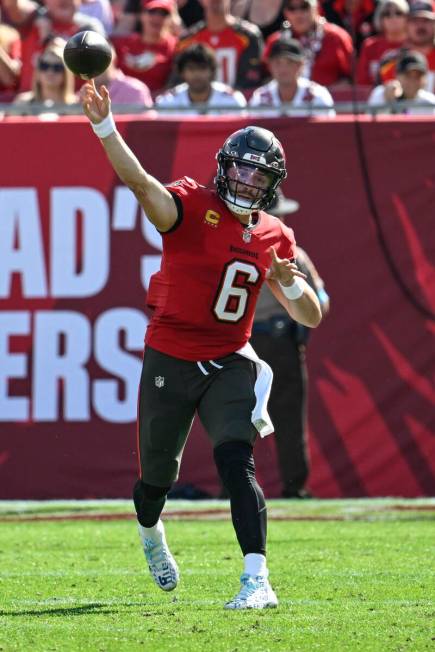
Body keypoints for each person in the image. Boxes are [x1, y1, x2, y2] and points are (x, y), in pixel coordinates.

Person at [80, 81, 322, 609]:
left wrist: (289, 282)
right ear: (224, 166)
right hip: (170, 354)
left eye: (260, 172)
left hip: (230, 357)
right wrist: (105, 128)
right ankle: (150, 532)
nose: (249, 178)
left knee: (237, 458)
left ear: (272, 182)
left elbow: (313, 315)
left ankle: (257, 579)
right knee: (155, 479)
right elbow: (143, 186)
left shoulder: (276, 236)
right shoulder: (192, 203)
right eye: (242, 167)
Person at [251, 189, 329, 499]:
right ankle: (292, 487)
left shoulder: (236, 249)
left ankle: (235, 487)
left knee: (242, 417)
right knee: (282, 416)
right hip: (272, 341)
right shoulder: (291, 253)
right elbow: (321, 300)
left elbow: (321, 299)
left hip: (254, 341)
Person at [2, 0, 105, 92]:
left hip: (71, 108)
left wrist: (69, 51)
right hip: (29, 107)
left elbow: (103, 69)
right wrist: (40, 15)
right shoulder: (32, 21)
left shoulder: (89, 29)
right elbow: (12, 5)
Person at [175, 0, 265, 90]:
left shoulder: (249, 37)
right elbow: (178, 82)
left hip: (237, 101)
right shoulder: (187, 40)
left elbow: (250, 81)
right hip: (197, 101)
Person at [264, 0, 354, 88]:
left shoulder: (336, 37)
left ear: (316, 7)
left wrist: (322, 96)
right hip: (287, 101)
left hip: (331, 101)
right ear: (285, 12)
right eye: (291, 8)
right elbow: (265, 79)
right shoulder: (276, 42)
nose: (298, 14)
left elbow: (352, 79)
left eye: (304, 6)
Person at [249, 36, 335, 116]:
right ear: (269, 65)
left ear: (301, 65)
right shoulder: (260, 97)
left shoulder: (318, 95)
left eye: (290, 62)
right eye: (277, 63)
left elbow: (328, 131)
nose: (283, 68)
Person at [155, 42, 246, 114]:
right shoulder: (168, 101)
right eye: (191, 68)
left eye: (202, 68)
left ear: (212, 70)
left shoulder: (232, 100)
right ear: (182, 72)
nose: (197, 74)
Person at [112, 0, 178, 93]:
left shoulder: (176, 47)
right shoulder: (122, 44)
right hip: (123, 102)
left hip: (158, 105)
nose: (157, 17)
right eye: (152, 12)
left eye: (164, 14)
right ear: (141, 15)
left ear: (170, 19)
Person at [13, 37, 77, 109]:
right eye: (45, 66)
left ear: (66, 75)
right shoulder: (23, 103)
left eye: (57, 68)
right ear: (38, 71)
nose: (50, 72)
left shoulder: (75, 105)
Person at [356, 0, 409, 87]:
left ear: (408, 18)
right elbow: (362, 82)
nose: (393, 18)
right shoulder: (370, 46)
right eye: (387, 14)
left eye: (398, 13)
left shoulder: (416, 44)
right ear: (380, 19)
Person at [368, 49, 435, 113]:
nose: (412, 81)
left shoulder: (430, 101)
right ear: (397, 75)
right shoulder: (380, 93)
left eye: (418, 76)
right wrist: (388, 101)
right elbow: (370, 122)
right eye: (408, 75)